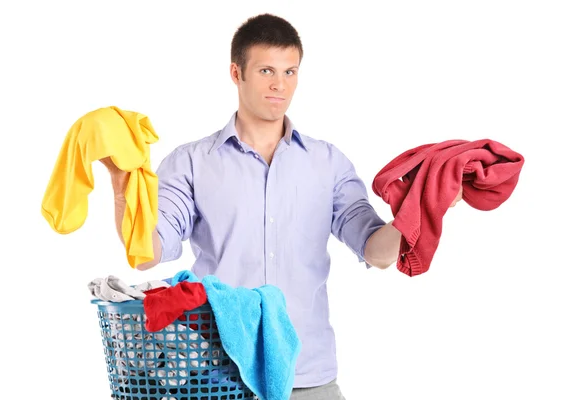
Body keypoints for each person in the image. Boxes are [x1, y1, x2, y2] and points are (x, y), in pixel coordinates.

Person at [101, 13, 462, 399]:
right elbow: (145, 256)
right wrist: (122, 186)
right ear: (236, 72)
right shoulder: (191, 162)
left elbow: (378, 252)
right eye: (266, 70)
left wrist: (432, 202)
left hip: (309, 377)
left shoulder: (327, 163)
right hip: (221, 375)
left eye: (291, 72)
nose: (280, 85)